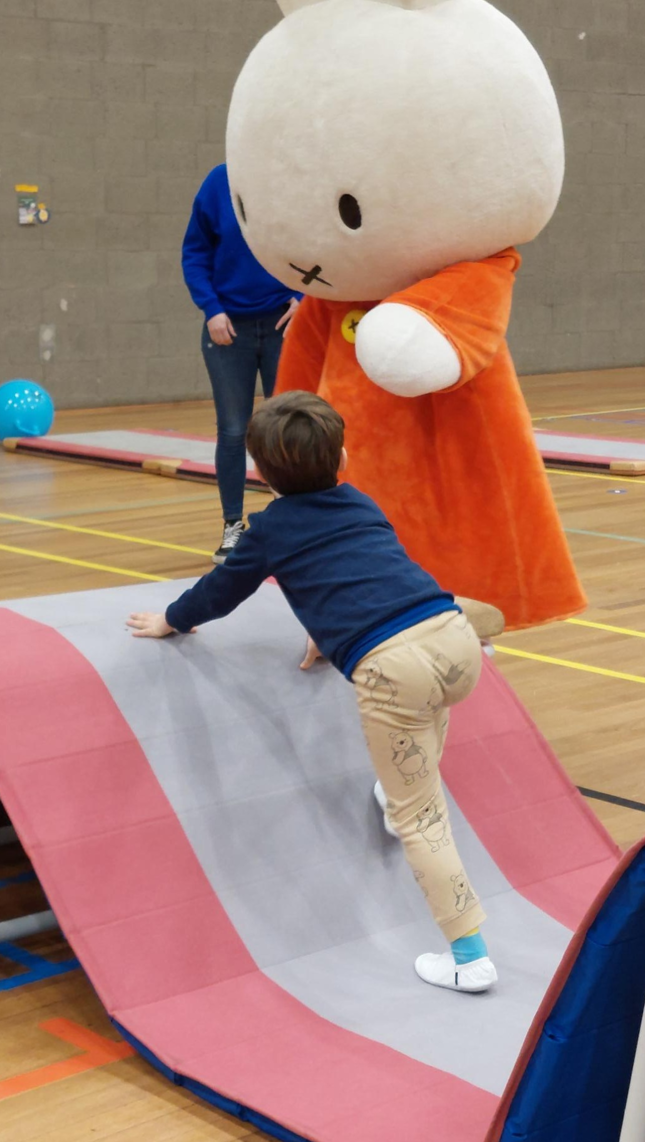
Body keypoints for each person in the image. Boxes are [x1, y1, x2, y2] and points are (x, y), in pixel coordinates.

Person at [128, 391, 496, 994]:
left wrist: (172, 619)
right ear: (343, 458)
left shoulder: (269, 530)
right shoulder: (361, 503)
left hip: (393, 668)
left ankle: (469, 954)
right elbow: (365, 571)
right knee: (428, 708)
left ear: (260, 473)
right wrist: (329, 630)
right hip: (453, 639)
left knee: (420, 818)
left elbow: (221, 592)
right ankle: (399, 785)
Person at [182, 163, 299, 564]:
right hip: (228, 329)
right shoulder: (218, 182)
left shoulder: (290, 179)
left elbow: (319, 249)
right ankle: (233, 525)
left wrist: (305, 299)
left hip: (283, 325)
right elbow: (195, 253)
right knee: (233, 430)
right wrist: (211, 309)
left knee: (286, 428)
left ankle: (290, 523)